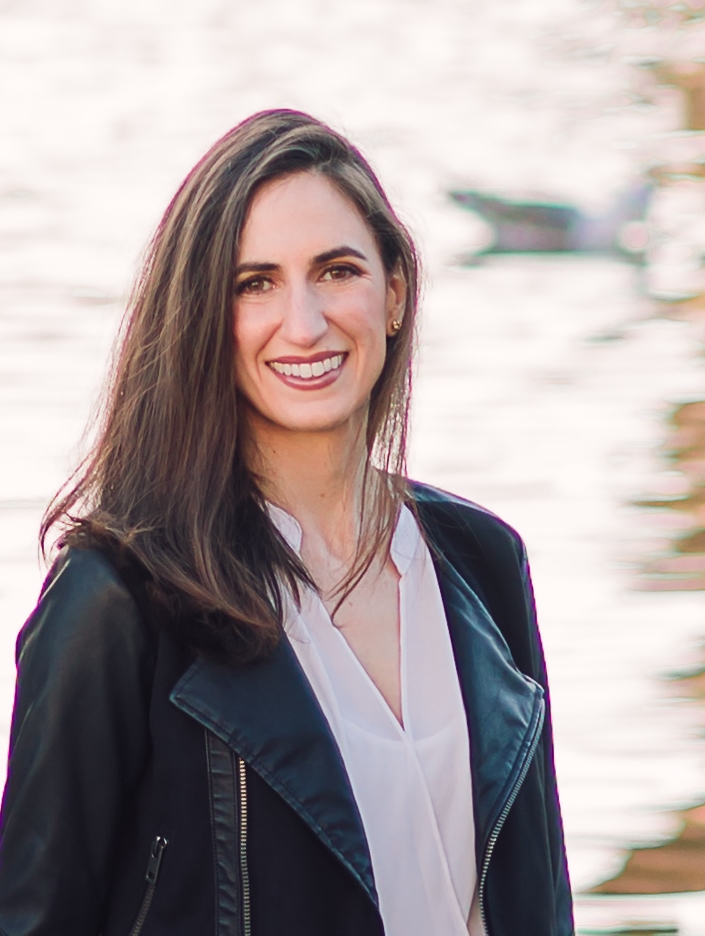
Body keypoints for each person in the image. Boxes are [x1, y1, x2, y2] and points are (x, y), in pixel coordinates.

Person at [0, 109, 573, 936]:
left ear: (395, 293)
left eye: (337, 271)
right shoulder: (116, 602)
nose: (303, 324)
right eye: (254, 283)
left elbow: (539, 900)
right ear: (203, 317)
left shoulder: (480, 562)